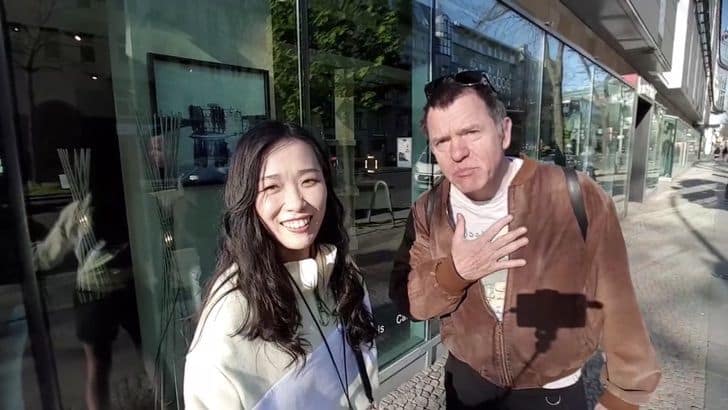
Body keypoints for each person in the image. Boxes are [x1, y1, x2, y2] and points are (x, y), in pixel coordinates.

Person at [390, 71, 660, 409]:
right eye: (441, 141)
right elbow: (409, 302)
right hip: (468, 385)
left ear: (504, 132)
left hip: (551, 394)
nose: (457, 152)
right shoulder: (429, 209)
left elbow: (616, 298)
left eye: (471, 132)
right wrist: (455, 273)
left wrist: (623, 397)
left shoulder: (571, 194)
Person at [184, 121, 377, 409]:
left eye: (309, 181)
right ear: (246, 198)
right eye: (272, 186)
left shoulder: (343, 274)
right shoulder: (228, 327)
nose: (296, 202)